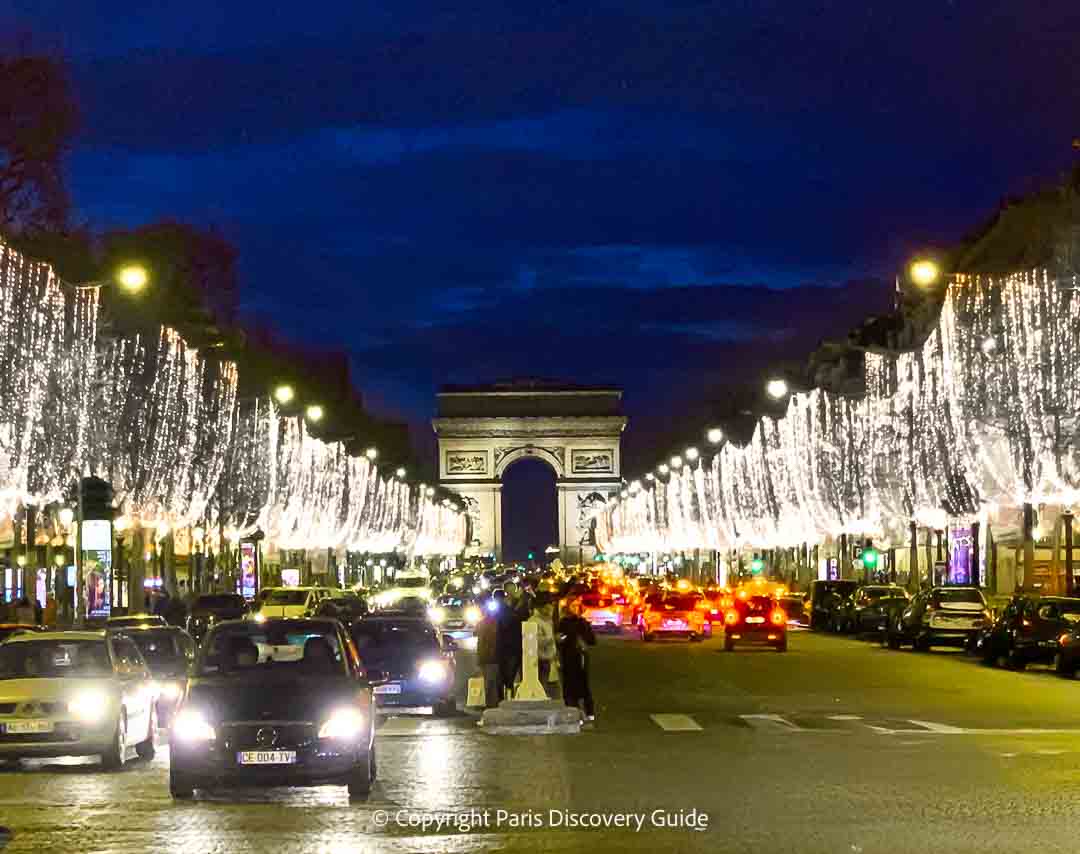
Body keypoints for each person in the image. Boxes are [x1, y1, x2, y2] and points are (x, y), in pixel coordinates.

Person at [558, 598, 596, 721]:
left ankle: (589, 713)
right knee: (569, 687)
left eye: (577, 606)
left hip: (581, 659)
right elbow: (560, 638)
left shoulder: (583, 622)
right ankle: (573, 712)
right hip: (568, 658)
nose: (575, 608)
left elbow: (592, 640)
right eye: (572, 606)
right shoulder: (564, 622)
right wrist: (565, 638)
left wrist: (583, 641)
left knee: (584, 686)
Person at [527, 599, 558, 695]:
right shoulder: (534, 621)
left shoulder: (547, 620)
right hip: (540, 658)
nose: (550, 610)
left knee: (546, 684)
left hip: (547, 657)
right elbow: (537, 641)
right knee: (542, 685)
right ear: (540, 608)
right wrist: (552, 638)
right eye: (547, 607)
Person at [475, 600, 501, 708]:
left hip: (490, 657)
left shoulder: (487, 623)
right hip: (490, 657)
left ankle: (493, 703)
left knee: (492, 681)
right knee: (491, 682)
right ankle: (492, 704)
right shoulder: (488, 623)